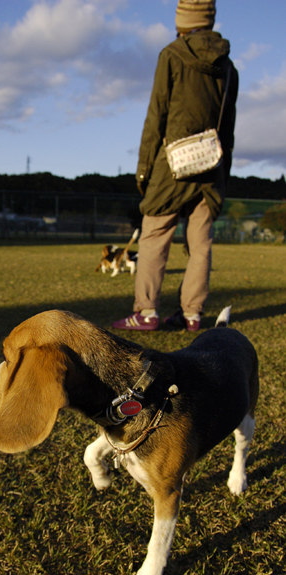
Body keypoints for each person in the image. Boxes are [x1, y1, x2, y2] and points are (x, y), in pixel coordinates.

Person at [113, 0, 238, 332]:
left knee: (154, 233)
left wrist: (143, 170)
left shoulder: (172, 54)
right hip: (211, 164)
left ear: (182, 20)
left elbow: (157, 116)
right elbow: (228, 128)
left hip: (173, 163)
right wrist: (223, 175)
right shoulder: (228, 67)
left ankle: (147, 312)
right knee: (201, 243)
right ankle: (193, 314)